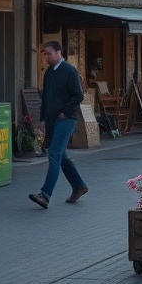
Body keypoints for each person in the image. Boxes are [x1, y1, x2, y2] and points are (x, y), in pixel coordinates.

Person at [29, 41, 88, 209]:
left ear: (59, 53)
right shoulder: (48, 73)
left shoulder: (70, 70)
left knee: (54, 153)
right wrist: (42, 118)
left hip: (66, 119)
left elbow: (78, 95)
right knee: (61, 155)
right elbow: (46, 97)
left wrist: (64, 111)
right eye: (44, 54)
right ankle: (79, 186)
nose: (46, 57)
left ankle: (45, 195)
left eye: (49, 54)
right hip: (52, 119)